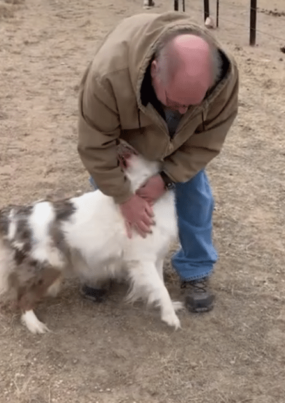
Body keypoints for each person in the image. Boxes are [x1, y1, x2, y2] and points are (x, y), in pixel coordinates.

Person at [76, 11, 239, 314]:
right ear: (154, 70)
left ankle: (196, 269)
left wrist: (167, 177)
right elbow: (95, 143)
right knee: (106, 194)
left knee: (195, 196)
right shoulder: (108, 75)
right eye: (175, 101)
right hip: (127, 140)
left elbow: (207, 141)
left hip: (182, 143)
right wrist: (124, 196)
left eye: (192, 104)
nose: (182, 109)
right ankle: (104, 263)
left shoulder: (223, 80)